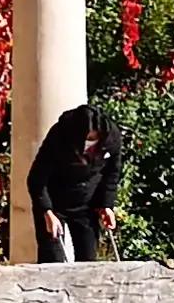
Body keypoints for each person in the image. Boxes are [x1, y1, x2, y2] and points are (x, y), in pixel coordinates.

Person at [27, 101, 127, 260]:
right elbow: (36, 178)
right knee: (52, 258)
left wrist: (106, 205)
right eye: (89, 138)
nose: (92, 144)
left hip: (86, 202)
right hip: (55, 201)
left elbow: (111, 173)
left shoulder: (111, 136)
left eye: (96, 138)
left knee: (88, 258)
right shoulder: (59, 136)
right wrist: (47, 212)